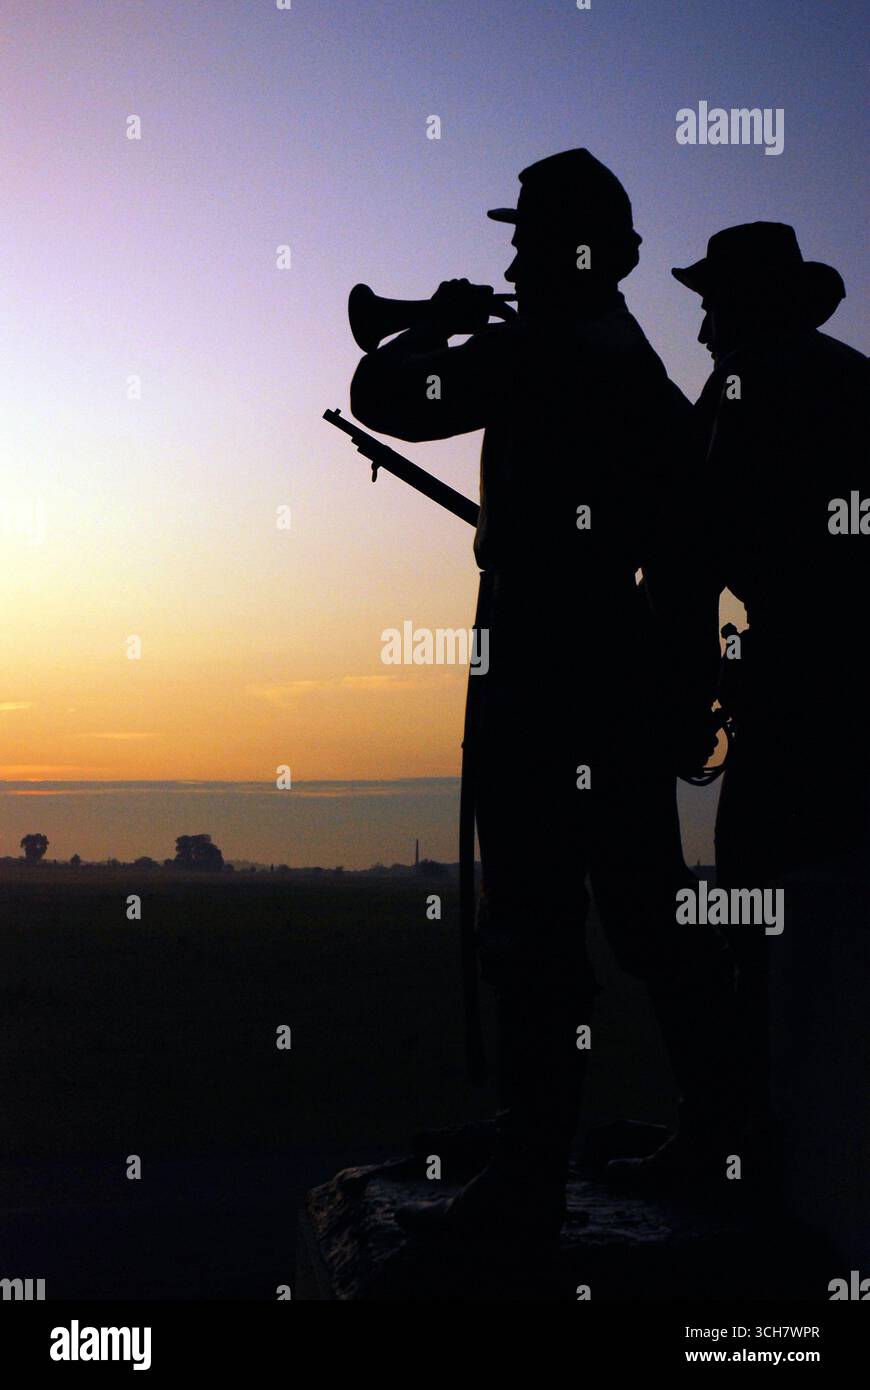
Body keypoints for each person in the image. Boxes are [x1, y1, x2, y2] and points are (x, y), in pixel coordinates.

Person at [350, 150, 734, 1243]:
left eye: (527, 239)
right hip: (612, 658)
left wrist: (437, 327)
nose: (512, 255)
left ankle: (529, 1164)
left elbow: (383, 394)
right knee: (650, 907)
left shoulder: (538, 350)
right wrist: (677, 685)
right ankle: (717, 1124)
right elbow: (684, 549)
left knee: (533, 923)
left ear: (576, 251)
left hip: (544, 664)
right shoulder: (635, 363)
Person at [663, 222, 869, 1159]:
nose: (701, 327)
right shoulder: (848, 375)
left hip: (801, 687)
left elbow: (691, 553)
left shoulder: (744, 384)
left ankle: (732, 1141)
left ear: (743, 306)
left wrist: (683, 693)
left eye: (710, 304)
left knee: (750, 901)